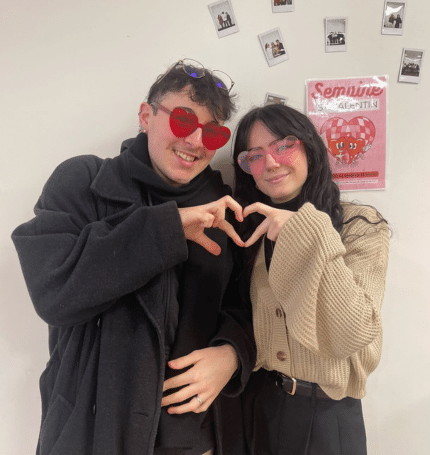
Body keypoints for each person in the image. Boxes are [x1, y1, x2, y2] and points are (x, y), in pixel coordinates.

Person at [11, 59, 256, 455]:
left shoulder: (225, 207)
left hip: (195, 439)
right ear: (146, 116)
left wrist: (232, 354)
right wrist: (167, 230)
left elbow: (247, 306)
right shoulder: (84, 183)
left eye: (211, 133)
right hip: (93, 433)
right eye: (182, 121)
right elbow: (53, 291)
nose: (194, 141)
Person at [232, 103, 390, 455]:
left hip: (327, 413)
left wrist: (309, 230)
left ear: (309, 146)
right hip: (261, 405)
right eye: (254, 156)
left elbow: (354, 332)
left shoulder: (359, 226)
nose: (270, 163)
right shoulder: (251, 234)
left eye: (284, 145)